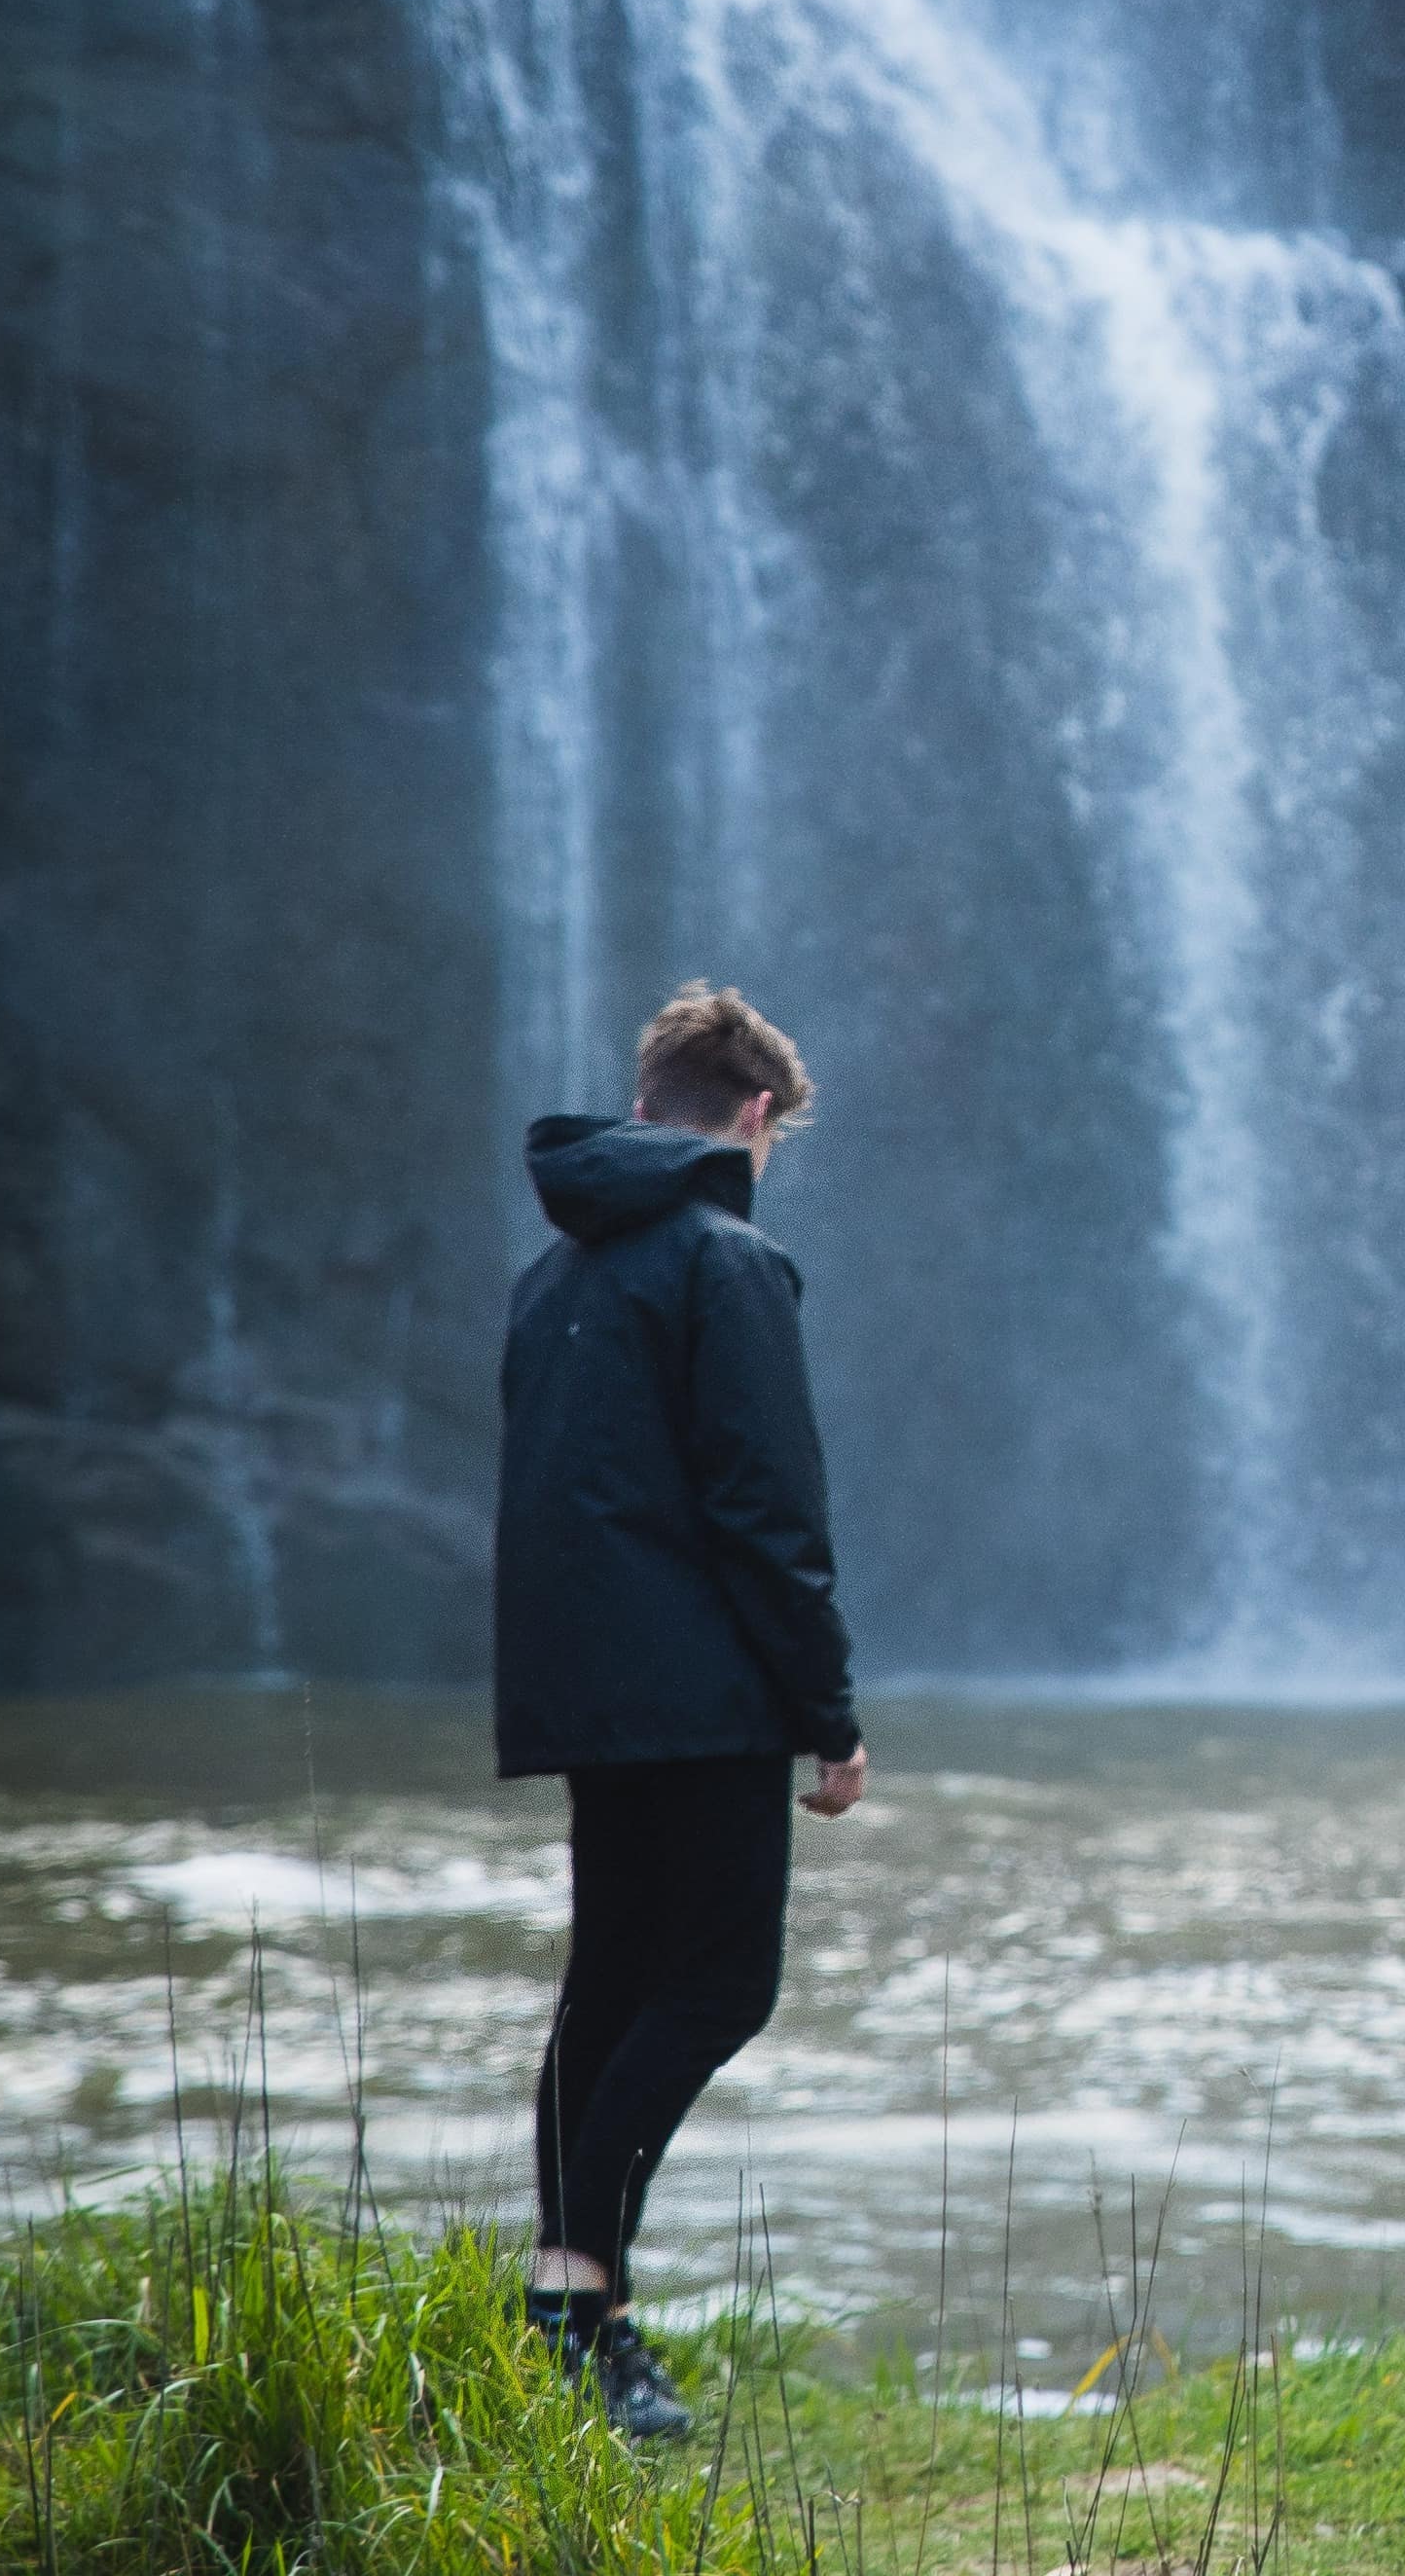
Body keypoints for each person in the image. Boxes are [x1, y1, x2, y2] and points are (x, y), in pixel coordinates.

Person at [493, 981, 868, 2440]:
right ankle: (574, 2279)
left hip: (587, 1696)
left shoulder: (555, 1278)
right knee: (721, 1988)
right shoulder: (727, 1263)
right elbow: (770, 1511)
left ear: (647, 1102)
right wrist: (826, 1711)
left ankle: (594, 2326)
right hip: (705, 1699)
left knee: (609, 1990)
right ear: (756, 1116)